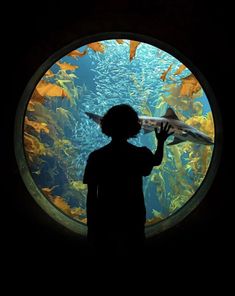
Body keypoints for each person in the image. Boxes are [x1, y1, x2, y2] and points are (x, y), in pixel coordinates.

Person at [83, 104, 173, 256]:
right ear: (134, 127)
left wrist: (92, 225)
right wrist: (161, 142)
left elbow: (91, 195)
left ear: (106, 126)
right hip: (133, 217)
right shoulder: (140, 153)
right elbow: (156, 161)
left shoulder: (96, 156)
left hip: (105, 218)